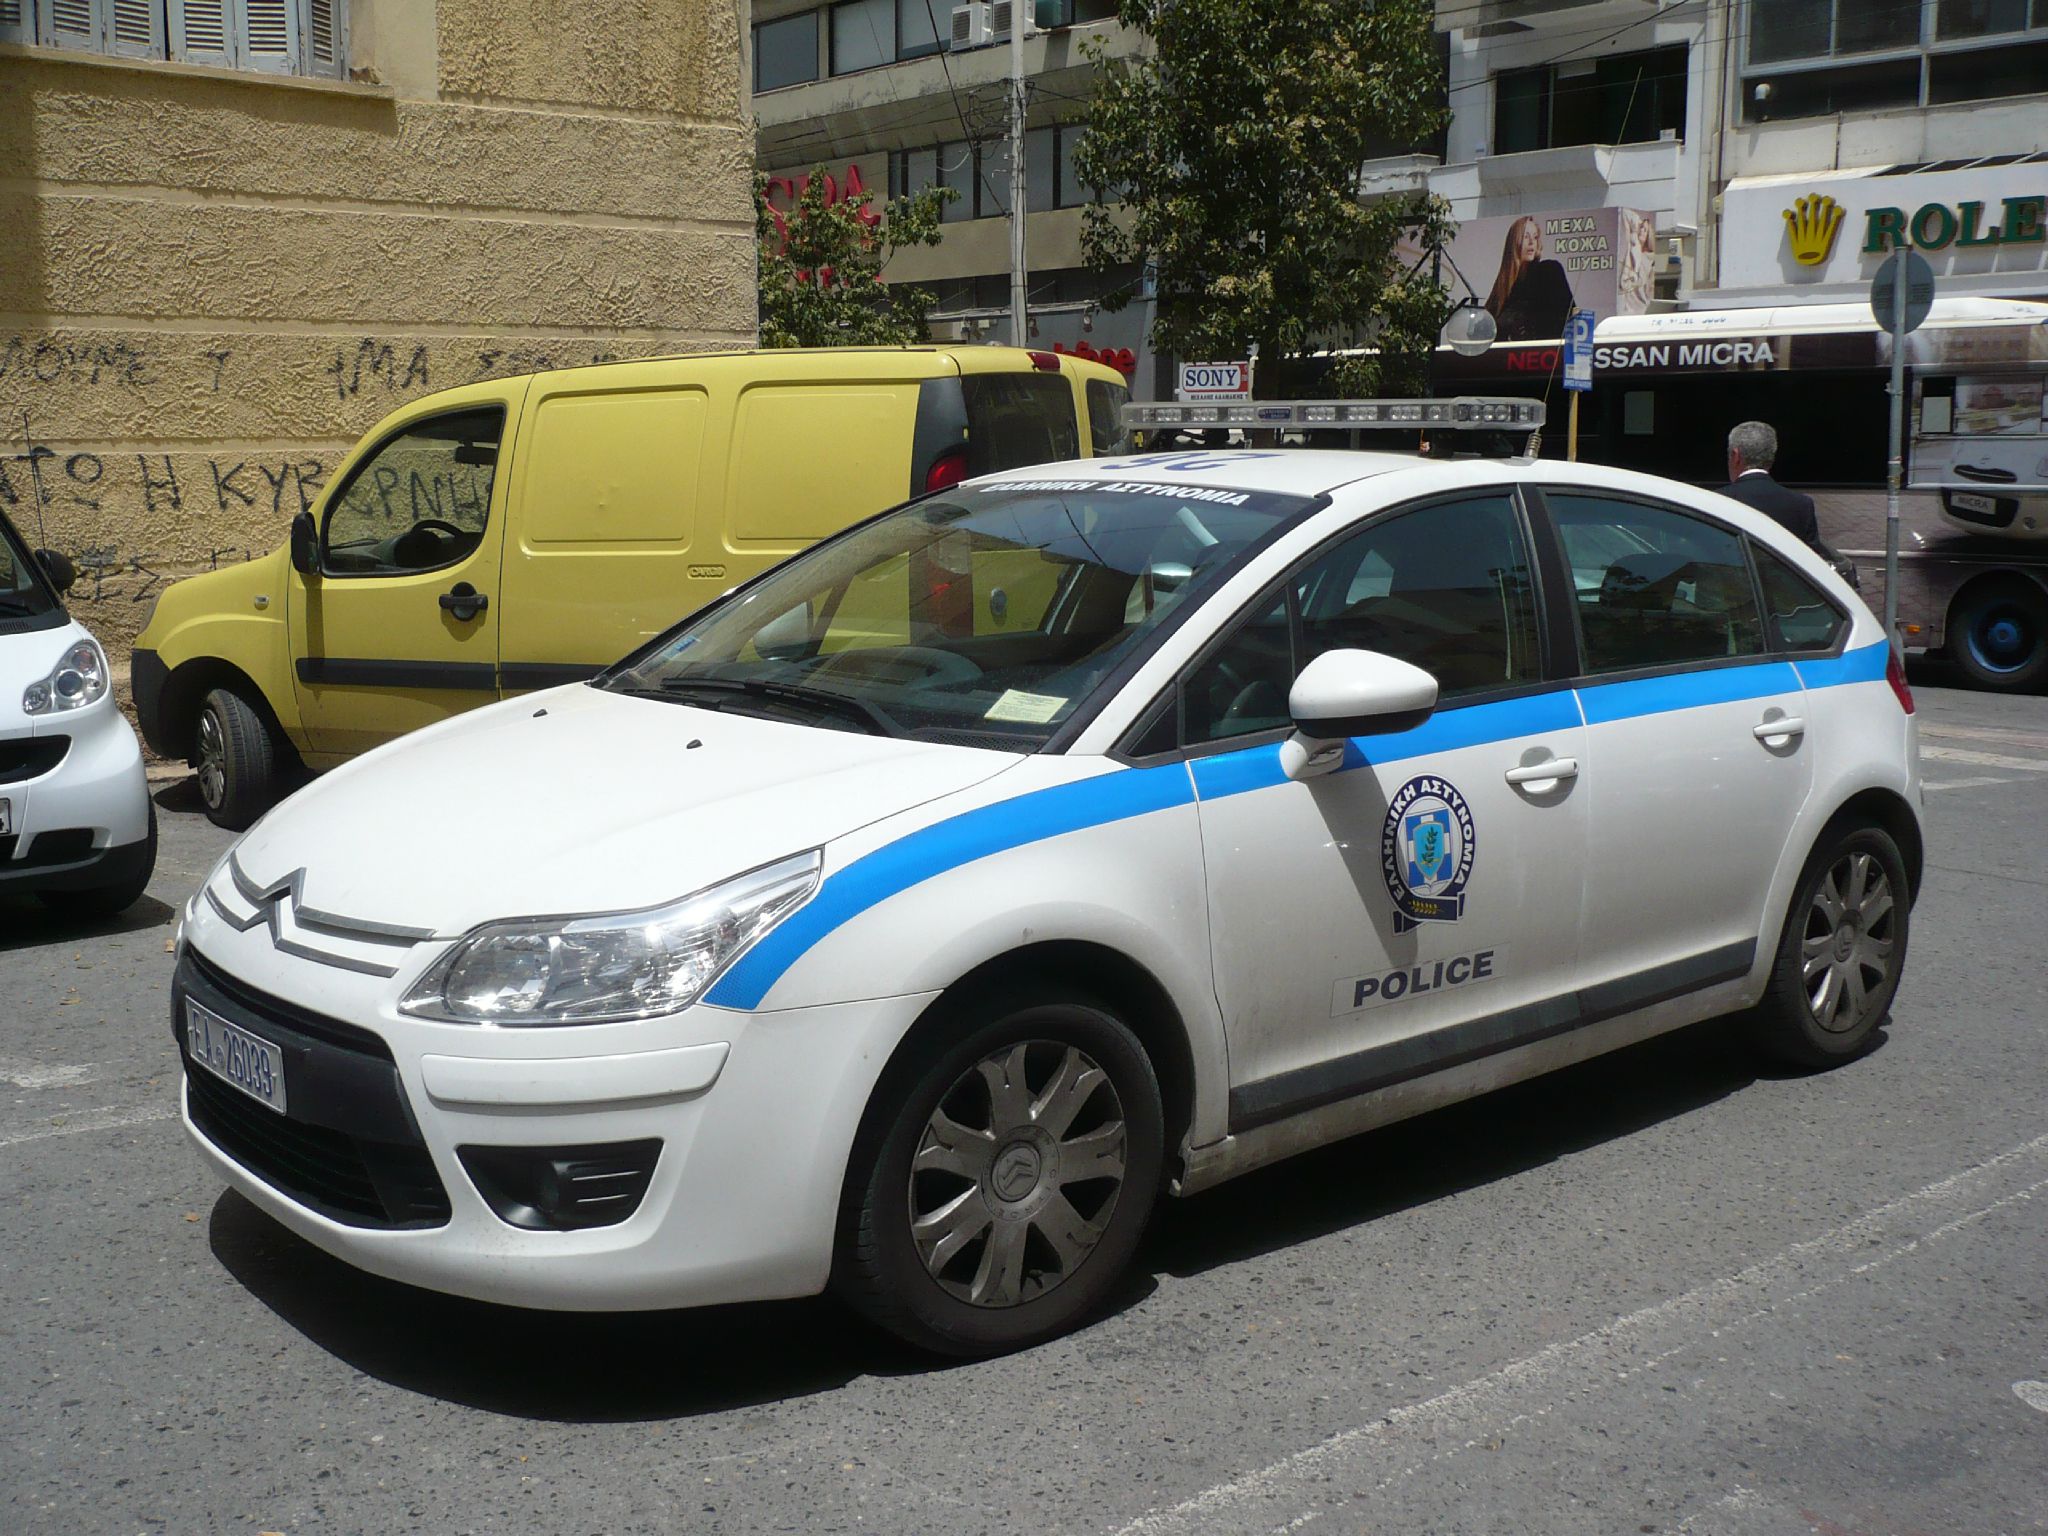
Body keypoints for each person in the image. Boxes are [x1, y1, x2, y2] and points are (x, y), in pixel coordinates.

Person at [1716, 420, 1824, 549]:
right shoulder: (1802, 505)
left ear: (1736, 456)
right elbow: (1812, 556)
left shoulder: (1717, 501)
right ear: (1771, 458)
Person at [1484, 216, 1574, 343]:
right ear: (1514, 242)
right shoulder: (1502, 290)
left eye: (1535, 237)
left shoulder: (1548, 271)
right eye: (1525, 237)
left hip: (1546, 352)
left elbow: (1569, 317)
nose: (1532, 242)